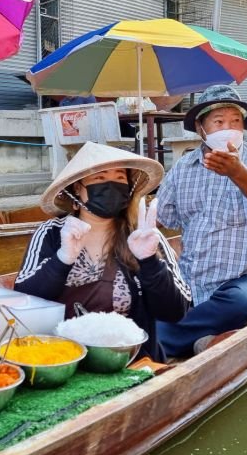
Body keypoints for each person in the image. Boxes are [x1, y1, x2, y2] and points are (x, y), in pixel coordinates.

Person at [14, 142, 191, 362]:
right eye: (99, 178)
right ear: (77, 190)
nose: (110, 185)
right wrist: (63, 258)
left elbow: (175, 312)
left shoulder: (144, 235)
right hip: (59, 358)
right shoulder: (51, 233)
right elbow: (24, 300)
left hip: (128, 360)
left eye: (119, 178)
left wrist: (149, 261)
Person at [155, 84, 247, 358]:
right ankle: (198, 338)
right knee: (147, 290)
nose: (229, 127)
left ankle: (159, 343)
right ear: (201, 129)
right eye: (219, 122)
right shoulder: (184, 167)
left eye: (235, 122)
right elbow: (162, 217)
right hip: (193, 278)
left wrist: (237, 171)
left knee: (243, 303)